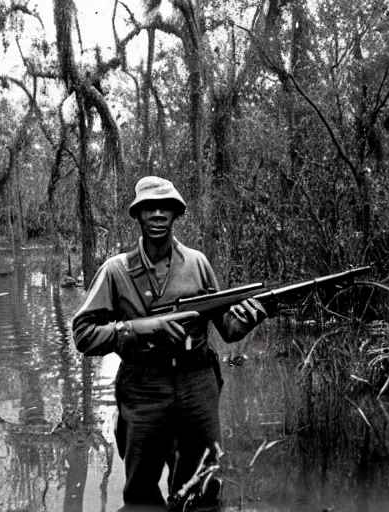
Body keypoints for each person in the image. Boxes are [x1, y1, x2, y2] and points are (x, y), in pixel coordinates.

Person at [72, 176, 269, 510]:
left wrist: (253, 315)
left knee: (202, 491)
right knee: (142, 495)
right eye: (150, 208)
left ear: (177, 214)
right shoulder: (116, 271)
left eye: (166, 208)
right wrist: (142, 329)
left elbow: (229, 329)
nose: (158, 215)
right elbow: (83, 335)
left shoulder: (197, 263)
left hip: (197, 386)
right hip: (143, 389)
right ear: (138, 215)